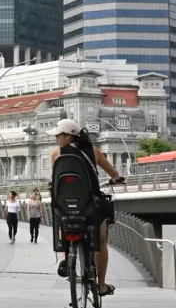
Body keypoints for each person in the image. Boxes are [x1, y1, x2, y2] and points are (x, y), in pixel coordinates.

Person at [49, 118, 125, 297]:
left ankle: (67, 259)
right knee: (101, 240)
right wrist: (116, 178)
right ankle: (101, 285)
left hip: (65, 205)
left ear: (68, 136)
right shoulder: (94, 151)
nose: (56, 139)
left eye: (58, 135)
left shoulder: (56, 153)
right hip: (90, 204)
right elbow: (113, 173)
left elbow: (55, 180)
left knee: (63, 224)